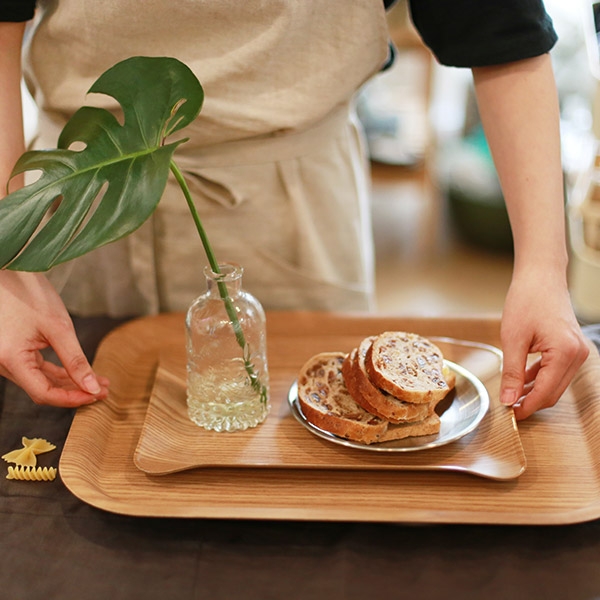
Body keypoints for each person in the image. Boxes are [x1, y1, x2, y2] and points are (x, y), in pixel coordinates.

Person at [0, 0, 590, 418]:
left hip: (294, 196)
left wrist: (542, 265)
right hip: (85, 196)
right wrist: (6, 270)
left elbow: (500, 28)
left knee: (315, 476)